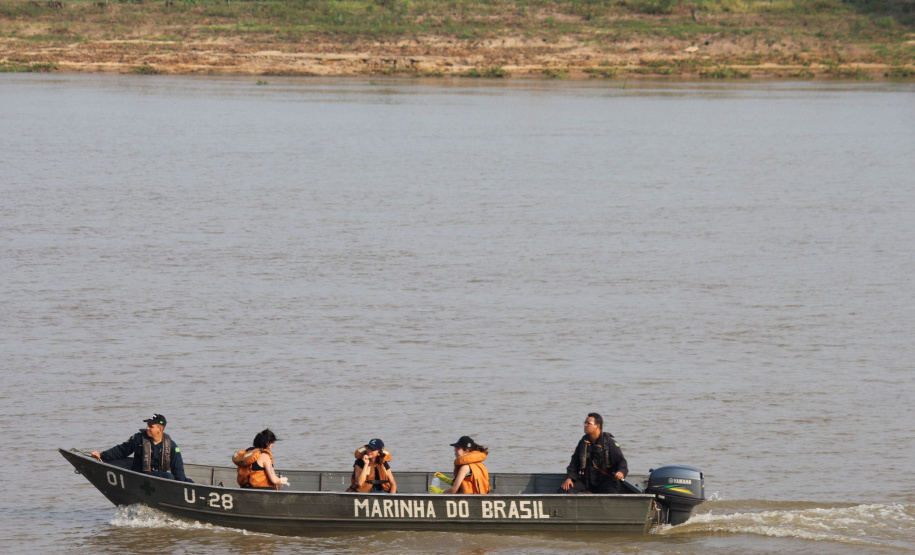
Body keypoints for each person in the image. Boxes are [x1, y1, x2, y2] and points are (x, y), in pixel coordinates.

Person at [91, 413, 192, 482]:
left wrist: (183, 484)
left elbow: (178, 469)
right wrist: (102, 455)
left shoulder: (171, 445)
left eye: (151, 426)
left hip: (159, 477)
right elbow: (121, 450)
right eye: (147, 425)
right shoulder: (138, 439)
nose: (147, 428)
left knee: (186, 480)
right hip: (140, 475)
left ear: (160, 429)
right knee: (169, 477)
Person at [559, 412, 628, 494]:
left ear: (597, 426)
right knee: (565, 489)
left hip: (605, 482)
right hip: (587, 482)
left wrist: (621, 472)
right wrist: (570, 478)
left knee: (612, 491)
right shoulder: (583, 442)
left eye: (588, 423)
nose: (585, 425)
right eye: (585, 423)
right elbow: (574, 463)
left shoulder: (609, 443)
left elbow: (621, 461)